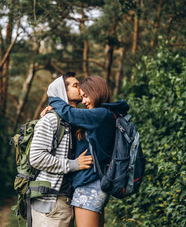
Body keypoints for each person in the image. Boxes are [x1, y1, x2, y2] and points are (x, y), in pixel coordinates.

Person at [48, 75, 130, 227]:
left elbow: (70, 113)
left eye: (86, 96)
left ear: (96, 92)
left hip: (89, 185)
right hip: (94, 185)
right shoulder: (105, 114)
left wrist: (53, 99)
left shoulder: (101, 114)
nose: (84, 101)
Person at [29, 72, 93, 227]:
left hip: (65, 202)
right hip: (50, 203)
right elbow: (36, 157)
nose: (81, 88)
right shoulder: (51, 120)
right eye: (75, 85)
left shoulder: (73, 122)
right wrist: (74, 164)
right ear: (62, 91)